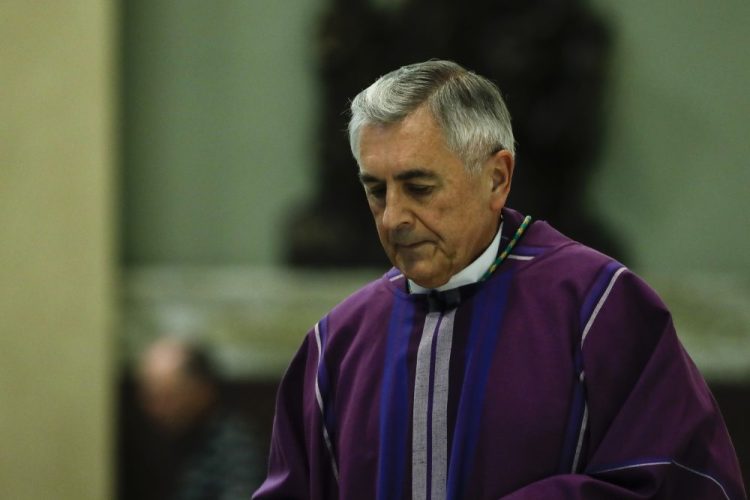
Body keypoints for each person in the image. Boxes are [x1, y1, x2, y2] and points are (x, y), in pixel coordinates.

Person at [253, 60, 745, 499]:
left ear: (496, 178)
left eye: (418, 187)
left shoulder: (597, 309)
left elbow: (680, 480)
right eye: (376, 190)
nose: (392, 218)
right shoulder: (337, 344)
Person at [133, 337, 263, 500]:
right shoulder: (161, 440)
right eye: (150, 398)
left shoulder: (235, 444)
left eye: (168, 397)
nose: (156, 409)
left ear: (203, 390)